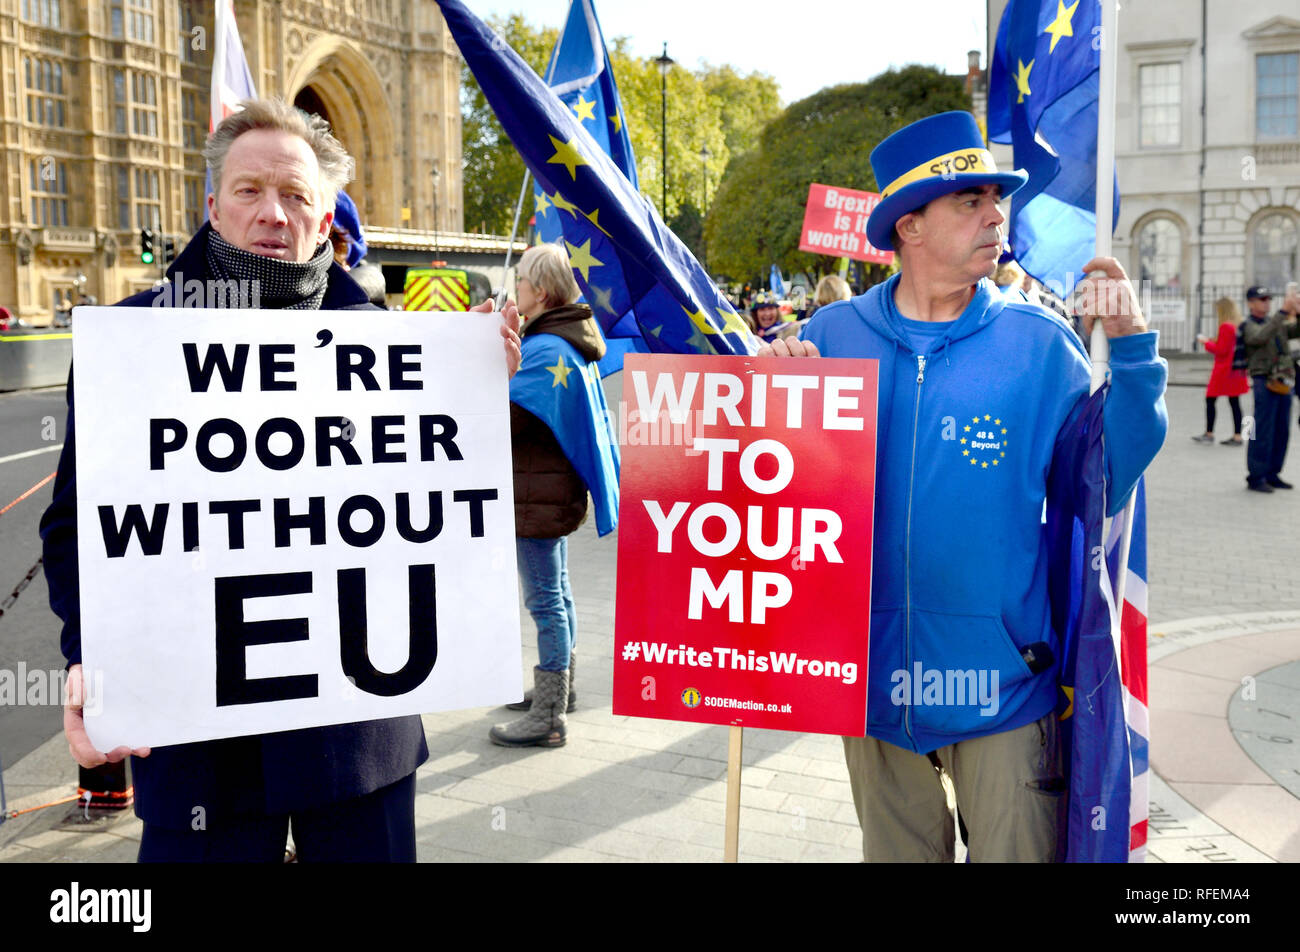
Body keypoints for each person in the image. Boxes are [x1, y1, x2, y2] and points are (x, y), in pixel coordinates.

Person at [39, 98, 521, 862]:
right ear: (213, 207)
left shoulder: (401, 351)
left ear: (325, 217)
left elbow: (455, 511)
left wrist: (477, 391)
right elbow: (74, 529)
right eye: (250, 190)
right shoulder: (133, 344)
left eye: (296, 195)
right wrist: (89, 654)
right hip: (197, 741)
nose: (273, 212)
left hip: (357, 737)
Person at [766, 110, 1167, 862]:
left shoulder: (1040, 343)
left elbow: (1111, 475)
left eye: (997, 198)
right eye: (970, 200)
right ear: (908, 227)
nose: (996, 215)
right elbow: (741, 475)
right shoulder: (828, 339)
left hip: (1004, 692)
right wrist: (775, 390)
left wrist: (1138, 353)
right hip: (873, 690)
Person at [491, 243, 619, 747]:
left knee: (545, 601)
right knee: (558, 595)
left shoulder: (547, 349)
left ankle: (547, 716)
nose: (515, 287)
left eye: (520, 280)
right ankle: (558, 690)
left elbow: (509, 419)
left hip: (536, 497)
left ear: (539, 291)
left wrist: (499, 372)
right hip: (549, 493)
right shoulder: (564, 338)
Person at [1242, 285, 1300, 492]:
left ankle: (1273, 473)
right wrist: (1282, 312)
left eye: (1268, 299)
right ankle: (1256, 476)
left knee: (1281, 430)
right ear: (1251, 303)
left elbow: (1294, 332)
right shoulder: (1249, 324)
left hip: (1283, 381)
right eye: (1262, 299)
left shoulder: (1275, 322)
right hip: (1264, 381)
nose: (1266, 302)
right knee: (1262, 431)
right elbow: (1258, 338)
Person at [1193, 297, 1248, 445]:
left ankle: (1209, 433)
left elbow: (1221, 350)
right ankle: (1238, 436)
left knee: (1210, 400)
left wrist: (1206, 343)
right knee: (1234, 402)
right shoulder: (1237, 325)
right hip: (1235, 370)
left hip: (1224, 369)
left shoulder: (1225, 326)